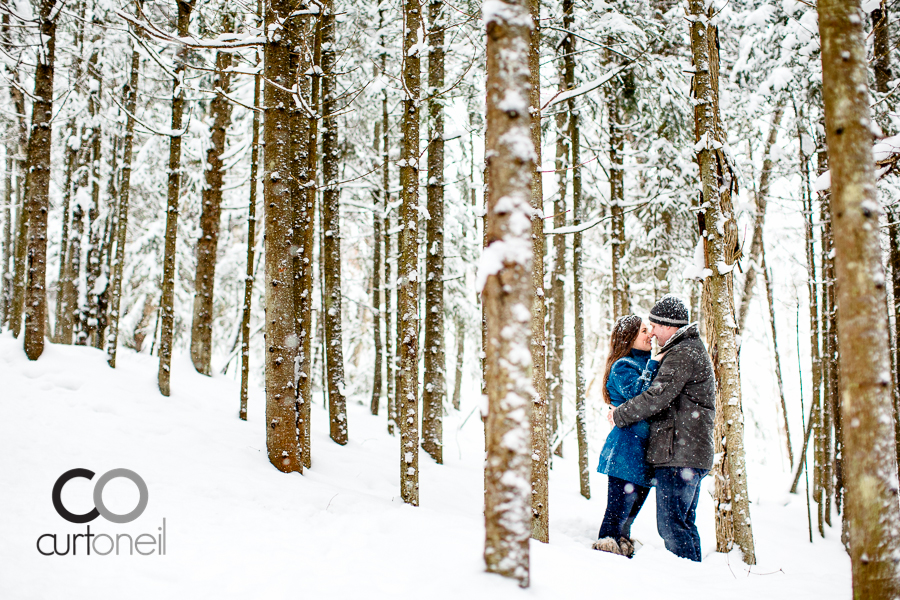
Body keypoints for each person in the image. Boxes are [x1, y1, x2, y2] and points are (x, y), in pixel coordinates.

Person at [607, 295, 715, 563]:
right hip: (683, 453)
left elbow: (655, 396)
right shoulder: (685, 350)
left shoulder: (682, 353)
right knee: (681, 524)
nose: (652, 332)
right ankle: (694, 578)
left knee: (672, 526)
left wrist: (619, 415)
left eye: (653, 325)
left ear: (668, 325)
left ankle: (686, 582)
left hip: (680, 454)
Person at [593, 315, 660, 558]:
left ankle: (621, 546)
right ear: (629, 337)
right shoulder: (623, 366)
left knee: (629, 516)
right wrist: (656, 363)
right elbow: (640, 395)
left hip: (643, 453)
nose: (650, 334)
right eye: (644, 330)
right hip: (625, 450)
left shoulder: (645, 365)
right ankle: (605, 549)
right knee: (617, 512)